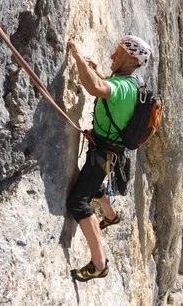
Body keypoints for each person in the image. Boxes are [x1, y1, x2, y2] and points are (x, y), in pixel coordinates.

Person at [66, 36, 152, 282]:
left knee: (78, 202)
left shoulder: (124, 87)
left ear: (131, 58)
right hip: (108, 151)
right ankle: (112, 216)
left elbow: (95, 89)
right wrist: (97, 71)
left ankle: (99, 263)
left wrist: (78, 57)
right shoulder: (131, 81)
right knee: (94, 185)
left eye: (117, 53)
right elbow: (108, 87)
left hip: (104, 152)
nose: (112, 56)